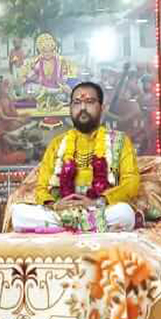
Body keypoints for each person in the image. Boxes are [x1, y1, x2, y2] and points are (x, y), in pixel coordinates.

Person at [11, 81, 140, 232]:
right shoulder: (58, 143)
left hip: (99, 208)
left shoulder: (119, 141)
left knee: (125, 214)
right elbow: (42, 186)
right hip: (63, 210)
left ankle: (65, 229)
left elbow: (131, 182)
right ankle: (89, 227)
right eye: (77, 103)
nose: (83, 108)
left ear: (102, 108)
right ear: (70, 108)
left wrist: (98, 202)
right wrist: (54, 205)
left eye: (90, 102)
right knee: (19, 214)